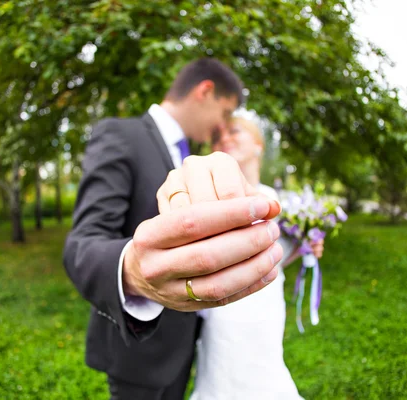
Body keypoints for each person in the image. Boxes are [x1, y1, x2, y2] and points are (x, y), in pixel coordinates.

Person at [63, 59, 284, 400]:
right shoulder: (122, 135)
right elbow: (82, 243)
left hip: (188, 349)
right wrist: (133, 272)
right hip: (137, 353)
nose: (220, 129)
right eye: (224, 114)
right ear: (205, 91)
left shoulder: (193, 158)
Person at [163, 117, 325, 400]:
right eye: (217, 136)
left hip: (265, 305)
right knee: (221, 371)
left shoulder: (282, 201)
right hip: (223, 307)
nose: (224, 137)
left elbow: (273, 256)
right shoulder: (208, 201)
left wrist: (304, 249)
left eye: (234, 131)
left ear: (258, 145)